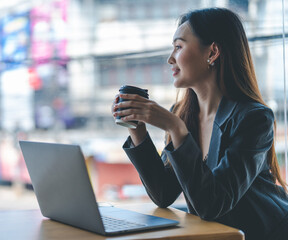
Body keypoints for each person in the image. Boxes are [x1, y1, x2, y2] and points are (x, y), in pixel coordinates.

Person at [111, 7, 288, 240]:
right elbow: (163, 193)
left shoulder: (254, 118)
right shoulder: (184, 114)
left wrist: (175, 128)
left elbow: (213, 204)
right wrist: (136, 127)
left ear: (213, 52)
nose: (170, 59)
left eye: (179, 46)